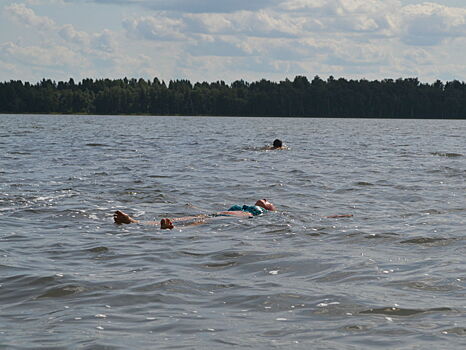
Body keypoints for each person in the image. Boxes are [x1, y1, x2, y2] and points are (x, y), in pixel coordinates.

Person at [114, 199, 277, 230]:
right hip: (222, 214)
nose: (264, 199)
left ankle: (175, 228)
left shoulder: (261, 213)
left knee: (202, 222)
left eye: (267, 201)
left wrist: (269, 207)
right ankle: (135, 222)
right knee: (198, 218)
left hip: (238, 217)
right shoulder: (246, 205)